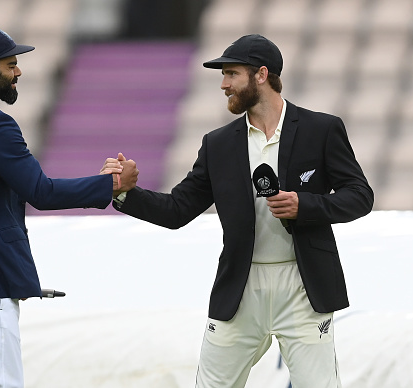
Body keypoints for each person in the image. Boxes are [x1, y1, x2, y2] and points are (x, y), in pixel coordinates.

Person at [107, 34, 373, 387]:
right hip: (240, 289)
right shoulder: (217, 144)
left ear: (261, 75)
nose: (223, 84)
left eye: (231, 74)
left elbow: (360, 196)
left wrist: (304, 204)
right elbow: (177, 210)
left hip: (304, 288)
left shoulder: (321, 129)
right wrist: (127, 193)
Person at [0, 25, 138, 388]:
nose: (18, 72)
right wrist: (111, 185)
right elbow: (41, 192)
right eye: (10, 65)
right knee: (1, 382)